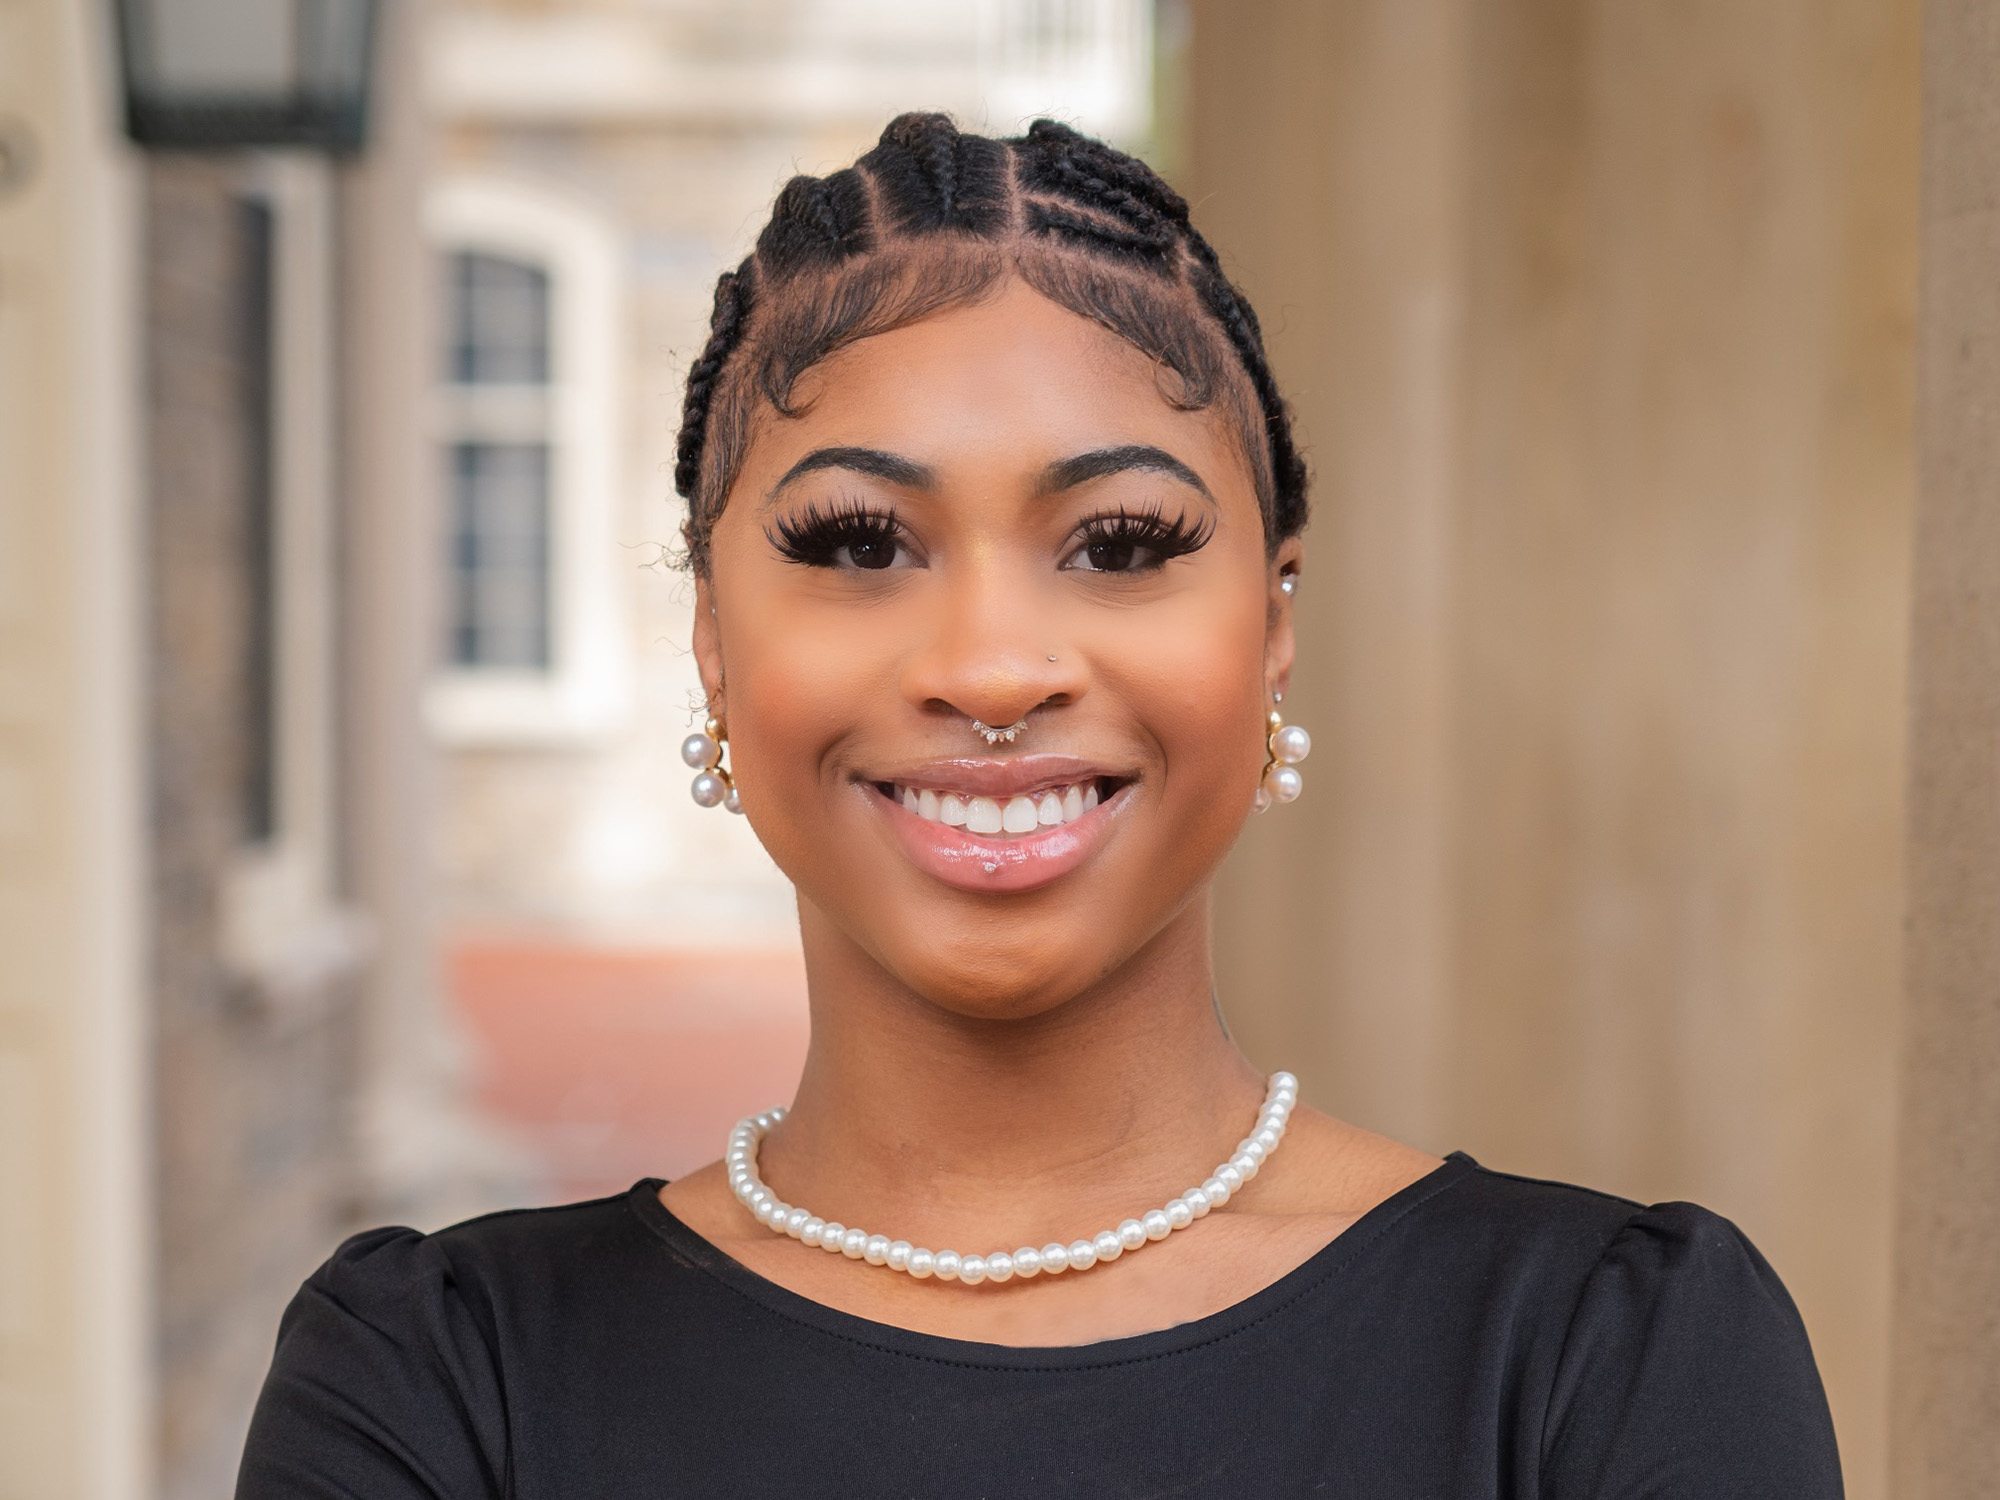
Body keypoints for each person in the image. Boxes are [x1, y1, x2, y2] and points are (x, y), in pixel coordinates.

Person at [237, 114, 1842, 1497]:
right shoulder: (444, 1393)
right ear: (716, 645)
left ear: (1273, 626)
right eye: (859, 543)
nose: (994, 667)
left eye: (1123, 542)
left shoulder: (1605, 1370)